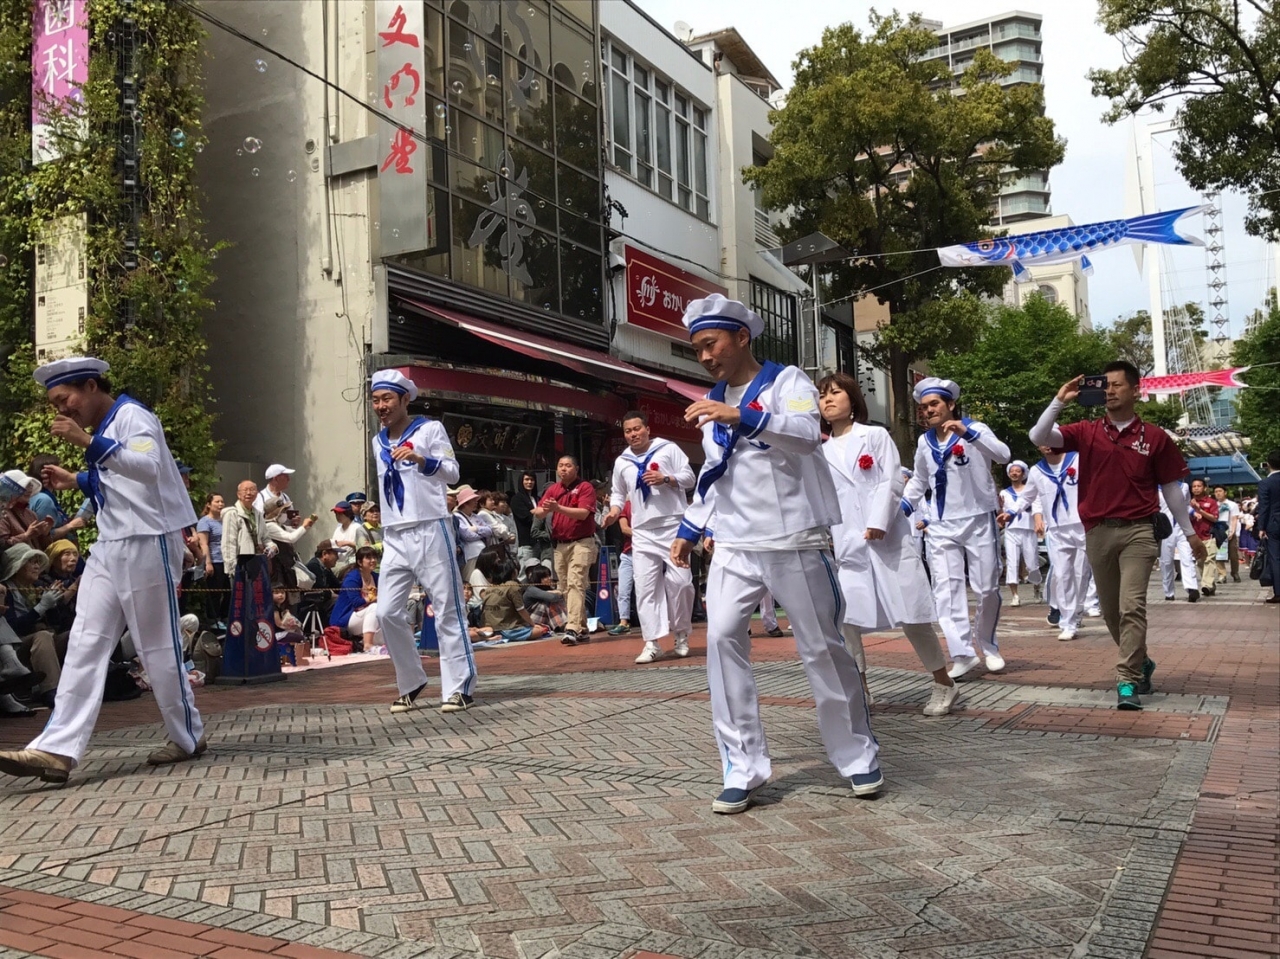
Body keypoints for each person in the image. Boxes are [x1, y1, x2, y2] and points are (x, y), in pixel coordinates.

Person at [670, 293, 880, 814]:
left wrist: (741, 415)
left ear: (742, 337)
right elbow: (715, 473)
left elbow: (808, 435)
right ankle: (743, 767)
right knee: (721, 639)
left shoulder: (788, 382)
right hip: (735, 544)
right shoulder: (712, 401)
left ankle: (856, 755)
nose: (705, 357)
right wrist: (690, 527)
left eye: (711, 344)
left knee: (821, 647)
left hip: (794, 539)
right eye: (697, 349)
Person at [0, 356, 205, 785]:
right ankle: (56, 749)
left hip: (148, 539)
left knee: (156, 646)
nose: (63, 409)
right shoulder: (108, 426)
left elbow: (148, 469)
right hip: (112, 544)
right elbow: (120, 481)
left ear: (91, 386)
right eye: (56, 404)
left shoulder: (132, 416)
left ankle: (187, 736)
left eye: (65, 399)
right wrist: (78, 479)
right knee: (84, 641)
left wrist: (85, 443)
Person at [1029, 362, 1204, 710]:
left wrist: (1190, 534)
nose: (1109, 391)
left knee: (1131, 607)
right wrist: (1060, 399)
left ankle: (1127, 680)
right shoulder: (1087, 431)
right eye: (1105, 386)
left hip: (1140, 531)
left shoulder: (1155, 437)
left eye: (1117, 385)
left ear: (1136, 390)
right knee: (1111, 612)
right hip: (1097, 531)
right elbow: (1039, 437)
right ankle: (1142, 661)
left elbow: (1171, 488)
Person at [818, 372, 958, 717]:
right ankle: (860, 689)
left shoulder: (875, 436)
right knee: (847, 618)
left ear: (853, 400)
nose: (828, 400)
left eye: (835, 393)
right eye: (822, 395)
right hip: (849, 544)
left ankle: (943, 682)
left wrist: (878, 522)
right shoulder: (821, 451)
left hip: (888, 540)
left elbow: (891, 480)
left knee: (911, 615)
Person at [369, 369, 476, 713]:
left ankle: (459, 687)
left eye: (387, 399)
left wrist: (421, 459)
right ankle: (412, 680)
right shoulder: (377, 441)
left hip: (431, 527)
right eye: (376, 400)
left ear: (404, 399)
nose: (381, 406)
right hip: (394, 534)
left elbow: (453, 472)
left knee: (447, 608)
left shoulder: (430, 429)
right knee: (386, 611)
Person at [902, 378, 1011, 680]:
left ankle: (988, 645)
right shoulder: (924, 442)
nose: (928, 410)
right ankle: (962, 653)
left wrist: (968, 433)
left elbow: (1003, 455)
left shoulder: (976, 429)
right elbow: (919, 480)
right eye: (924, 407)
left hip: (978, 519)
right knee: (946, 591)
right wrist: (902, 508)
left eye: (934, 404)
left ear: (950, 404)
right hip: (940, 524)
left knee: (987, 588)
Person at [601, 411, 697, 664]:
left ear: (647, 429)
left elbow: (690, 478)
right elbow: (618, 493)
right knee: (645, 587)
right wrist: (614, 511)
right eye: (628, 431)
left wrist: (666, 479)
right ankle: (652, 642)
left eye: (637, 429)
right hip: (642, 530)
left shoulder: (668, 449)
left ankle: (681, 633)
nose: (633, 434)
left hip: (673, 525)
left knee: (681, 583)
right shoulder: (622, 461)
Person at [1026, 445, 1092, 640]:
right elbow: (1030, 496)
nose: (1047, 445)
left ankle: (1077, 612)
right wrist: (1016, 512)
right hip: (1056, 529)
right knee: (1061, 574)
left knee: (1081, 573)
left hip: (1081, 525)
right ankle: (1067, 621)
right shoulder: (1037, 470)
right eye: (1042, 441)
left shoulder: (1078, 459)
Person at [533, 457, 598, 646]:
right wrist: (541, 511)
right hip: (560, 544)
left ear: (576, 469)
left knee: (575, 582)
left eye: (568, 466)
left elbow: (583, 513)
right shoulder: (554, 489)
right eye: (560, 466)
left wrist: (557, 508)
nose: (563, 469)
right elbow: (540, 511)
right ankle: (582, 628)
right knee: (566, 587)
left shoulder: (585, 487)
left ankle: (572, 627)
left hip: (582, 542)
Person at [477, 549, 549, 642]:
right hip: (508, 629)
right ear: (512, 571)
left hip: (491, 628)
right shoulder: (512, 585)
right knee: (539, 631)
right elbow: (521, 610)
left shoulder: (490, 587)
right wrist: (533, 624)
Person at [999, 461, 1043, 607]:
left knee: (1032, 563)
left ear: (1023, 474)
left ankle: (1037, 588)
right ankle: (1015, 595)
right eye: (1012, 471)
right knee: (1012, 562)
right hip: (1011, 531)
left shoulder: (1031, 491)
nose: (1014, 473)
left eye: (1018, 471)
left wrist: (1039, 523)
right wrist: (1000, 508)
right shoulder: (1004, 493)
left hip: (1028, 530)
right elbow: (1001, 515)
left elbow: (1037, 509)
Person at [1157, 479, 1200, 603]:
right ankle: (1168, 592)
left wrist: (1193, 512)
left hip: (1182, 528)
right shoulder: (1155, 488)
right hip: (1165, 529)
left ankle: (1191, 588)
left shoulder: (1184, 486)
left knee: (1187, 558)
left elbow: (1185, 505)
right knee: (1166, 562)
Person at [331, 546, 380, 651]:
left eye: (374, 557)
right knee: (375, 607)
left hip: (364, 616)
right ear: (359, 562)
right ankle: (367, 645)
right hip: (346, 619)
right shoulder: (352, 578)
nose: (373, 560)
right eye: (369, 558)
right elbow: (356, 602)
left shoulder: (376, 577)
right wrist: (375, 598)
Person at [28, 455, 85, 545]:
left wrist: (68, 521)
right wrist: (70, 526)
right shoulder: (44, 500)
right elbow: (44, 537)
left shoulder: (39, 496)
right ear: (48, 474)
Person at [0, 470, 54, 553]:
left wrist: (45, 534)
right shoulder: (3, 514)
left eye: (30, 485)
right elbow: (3, 547)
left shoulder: (31, 514)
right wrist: (26, 535)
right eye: (25, 486)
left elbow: (43, 548)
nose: (29, 488)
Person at [196, 493, 229, 624]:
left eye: (222, 502)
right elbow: (204, 544)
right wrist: (208, 563)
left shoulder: (226, 520)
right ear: (209, 505)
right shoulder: (204, 522)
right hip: (215, 560)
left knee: (229, 591)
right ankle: (213, 620)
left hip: (228, 560)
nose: (220, 504)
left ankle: (226, 616)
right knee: (215, 592)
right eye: (217, 502)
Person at [452, 485, 494, 586]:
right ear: (466, 503)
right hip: (470, 556)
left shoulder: (476, 516)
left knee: (485, 582)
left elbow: (489, 530)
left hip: (482, 554)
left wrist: (476, 529)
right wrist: (482, 534)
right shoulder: (458, 517)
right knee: (471, 583)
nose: (476, 502)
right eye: (473, 500)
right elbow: (467, 535)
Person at [606, 502, 635, 636]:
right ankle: (623, 622)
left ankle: (656, 621)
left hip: (647, 552)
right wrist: (646, 535)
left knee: (647, 590)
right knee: (623, 590)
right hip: (628, 553)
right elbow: (624, 528)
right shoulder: (627, 505)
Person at [1188, 478, 1220, 597]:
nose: (1196, 488)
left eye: (1199, 486)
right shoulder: (1188, 503)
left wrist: (1199, 510)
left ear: (1204, 488)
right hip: (1195, 538)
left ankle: (1206, 585)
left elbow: (1214, 518)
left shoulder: (1211, 502)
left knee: (1209, 560)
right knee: (1200, 562)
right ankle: (1210, 586)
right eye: (1194, 486)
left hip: (1208, 536)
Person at [299, 540, 341, 625]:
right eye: (335, 554)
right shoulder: (313, 566)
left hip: (322, 605)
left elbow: (337, 585)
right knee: (339, 602)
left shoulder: (325, 568)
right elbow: (321, 591)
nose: (338, 557)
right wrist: (335, 595)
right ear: (324, 554)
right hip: (310, 608)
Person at [1258, 449, 1280, 604]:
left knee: (1275, 558)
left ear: (1268, 464)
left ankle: (1278, 592)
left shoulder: (1265, 483)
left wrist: (1261, 527)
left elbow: (1264, 507)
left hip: (1274, 525)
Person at [523, 564, 568, 632]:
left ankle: (565, 623)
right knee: (548, 603)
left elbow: (559, 597)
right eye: (545, 577)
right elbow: (552, 597)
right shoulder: (531, 589)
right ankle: (562, 625)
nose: (549, 578)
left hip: (542, 618)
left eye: (549, 575)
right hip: (530, 620)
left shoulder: (546, 588)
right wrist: (555, 592)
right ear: (538, 578)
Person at [329, 501, 369, 576]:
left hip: (351, 564)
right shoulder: (338, 529)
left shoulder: (357, 527)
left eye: (340, 514)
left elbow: (364, 547)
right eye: (336, 514)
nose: (337, 516)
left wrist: (348, 543)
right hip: (337, 562)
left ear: (348, 513)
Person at [509, 472, 540, 564]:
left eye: (532, 480)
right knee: (525, 570)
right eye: (526, 479)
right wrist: (539, 512)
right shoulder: (517, 499)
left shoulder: (537, 498)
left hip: (538, 542)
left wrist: (535, 512)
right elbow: (526, 517)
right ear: (521, 481)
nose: (529, 482)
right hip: (525, 543)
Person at [1213, 486, 1241, 583]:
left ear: (1225, 492)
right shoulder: (1214, 504)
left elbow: (1234, 518)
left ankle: (1235, 572)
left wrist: (1232, 531)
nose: (1218, 493)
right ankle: (1222, 575)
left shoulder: (1232, 504)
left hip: (1229, 530)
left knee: (1233, 554)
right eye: (1216, 491)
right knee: (1219, 554)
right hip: (1218, 531)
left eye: (1220, 491)